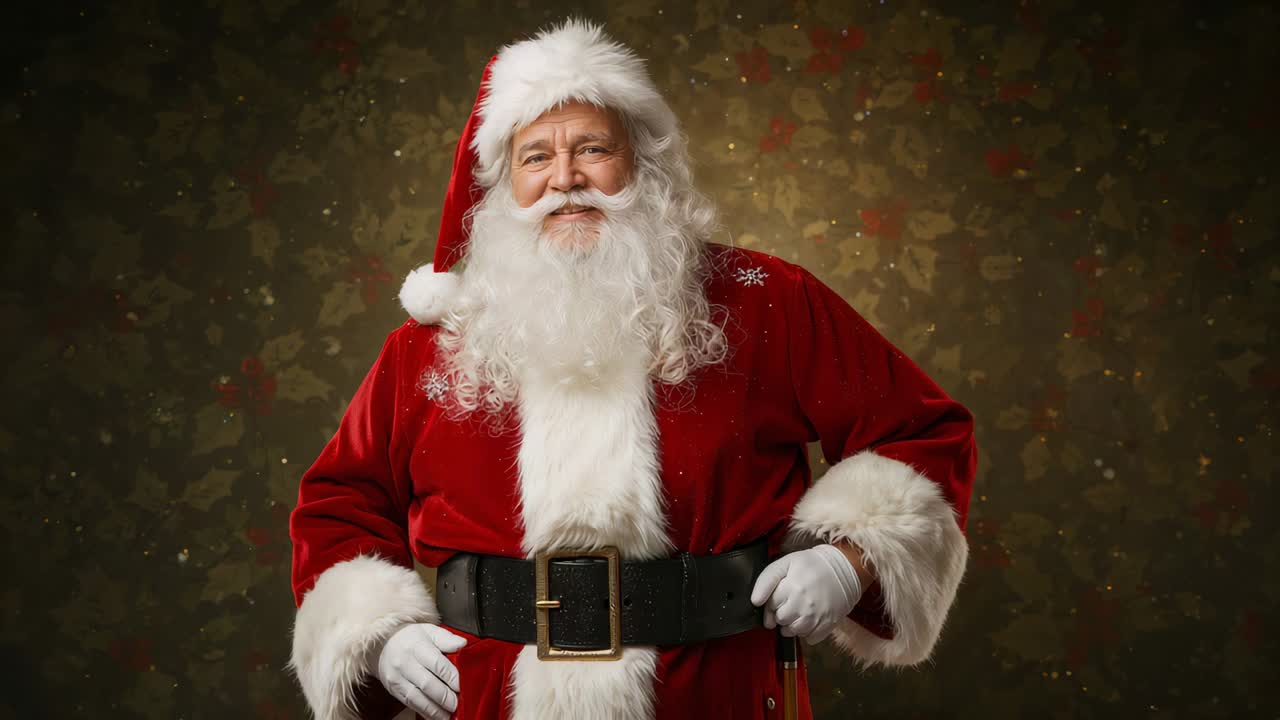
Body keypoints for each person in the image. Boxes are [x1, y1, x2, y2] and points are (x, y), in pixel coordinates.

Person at [288, 19, 976, 720]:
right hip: (488, 700)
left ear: (640, 161)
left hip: (717, 695)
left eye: (592, 148)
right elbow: (339, 503)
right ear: (501, 185)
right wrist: (378, 637)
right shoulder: (432, 346)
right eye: (535, 158)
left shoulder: (769, 303)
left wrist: (850, 560)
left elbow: (922, 433)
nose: (566, 179)